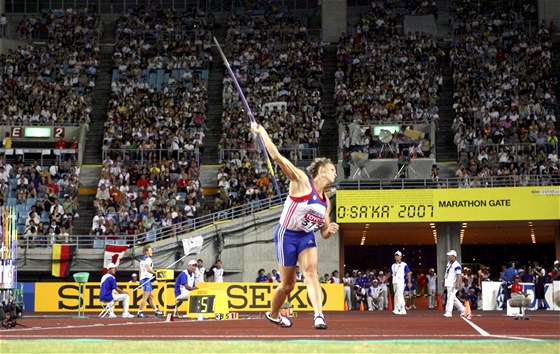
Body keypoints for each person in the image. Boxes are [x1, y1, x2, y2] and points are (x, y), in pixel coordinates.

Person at [252, 122, 339, 330]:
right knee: (288, 285)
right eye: (332, 170)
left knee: (311, 274)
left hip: (305, 236)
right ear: (321, 171)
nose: (335, 173)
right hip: (286, 235)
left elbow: (324, 233)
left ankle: (319, 315)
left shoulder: (326, 201)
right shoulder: (301, 180)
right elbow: (277, 158)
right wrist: (262, 131)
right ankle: (273, 314)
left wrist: (330, 229)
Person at [137, 245, 164, 318]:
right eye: (150, 250)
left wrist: (140, 280)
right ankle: (139, 312)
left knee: (151, 296)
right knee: (145, 297)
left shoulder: (142, 260)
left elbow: (140, 271)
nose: (151, 251)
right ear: (146, 252)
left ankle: (156, 310)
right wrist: (157, 273)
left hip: (144, 279)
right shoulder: (148, 259)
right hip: (146, 279)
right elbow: (148, 269)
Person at [384, 250, 412, 315]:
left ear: (401, 257)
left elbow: (408, 273)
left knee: (399, 295)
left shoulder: (404, 264)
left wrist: (409, 282)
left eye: (398, 256)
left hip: (401, 282)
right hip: (395, 282)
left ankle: (400, 308)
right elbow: (390, 273)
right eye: (396, 255)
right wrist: (385, 278)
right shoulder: (393, 265)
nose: (396, 257)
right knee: (397, 295)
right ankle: (399, 309)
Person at [443, 250, 468, 318]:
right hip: (448, 283)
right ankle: (463, 310)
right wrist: (444, 280)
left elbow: (458, 275)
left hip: (453, 283)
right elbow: (446, 273)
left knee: (450, 297)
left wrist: (457, 283)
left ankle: (449, 312)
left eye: (449, 255)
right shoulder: (449, 263)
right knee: (452, 297)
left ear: (453, 256)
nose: (448, 256)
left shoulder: (457, 265)